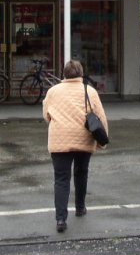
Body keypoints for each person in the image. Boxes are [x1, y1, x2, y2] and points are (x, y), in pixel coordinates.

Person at [43, 59, 108, 233]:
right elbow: (100, 116)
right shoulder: (90, 91)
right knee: (81, 173)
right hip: (83, 138)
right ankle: (80, 207)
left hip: (59, 140)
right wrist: (103, 141)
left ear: (64, 74)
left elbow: (46, 115)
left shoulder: (52, 91)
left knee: (61, 179)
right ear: (81, 73)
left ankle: (61, 220)